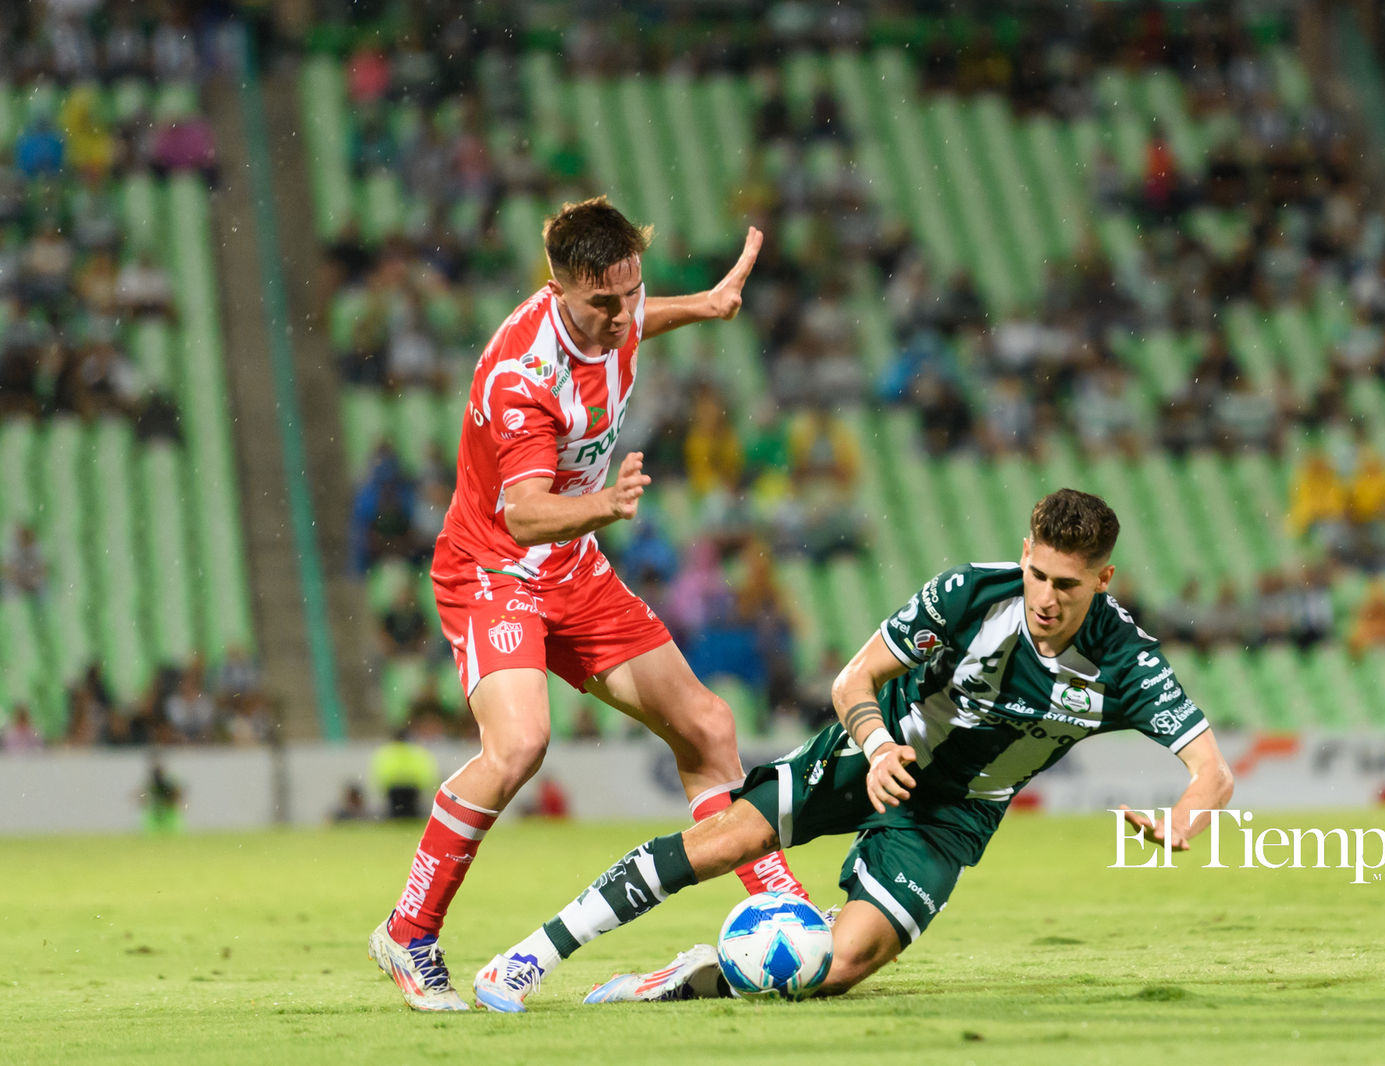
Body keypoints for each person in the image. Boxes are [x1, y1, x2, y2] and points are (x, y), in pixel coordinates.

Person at [468, 489, 1234, 1010]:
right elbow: (854, 676)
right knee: (726, 839)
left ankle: (694, 975)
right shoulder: (970, 594)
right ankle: (530, 956)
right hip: (875, 749)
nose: (1045, 597)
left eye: (1067, 584)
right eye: (1037, 572)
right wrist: (874, 745)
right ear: (1024, 552)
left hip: (954, 816)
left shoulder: (1126, 662)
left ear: (1103, 579)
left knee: (842, 967)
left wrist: (1186, 820)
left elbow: (1212, 771)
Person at [369, 197, 810, 1011]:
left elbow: (639, 319)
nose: (622, 316)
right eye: (603, 303)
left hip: (570, 566)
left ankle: (779, 905)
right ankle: (408, 932)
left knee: (708, 726)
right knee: (520, 746)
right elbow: (523, 511)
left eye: (631, 294)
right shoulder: (523, 375)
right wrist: (607, 504)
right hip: (495, 569)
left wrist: (706, 306)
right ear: (559, 287)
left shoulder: (619, 309)